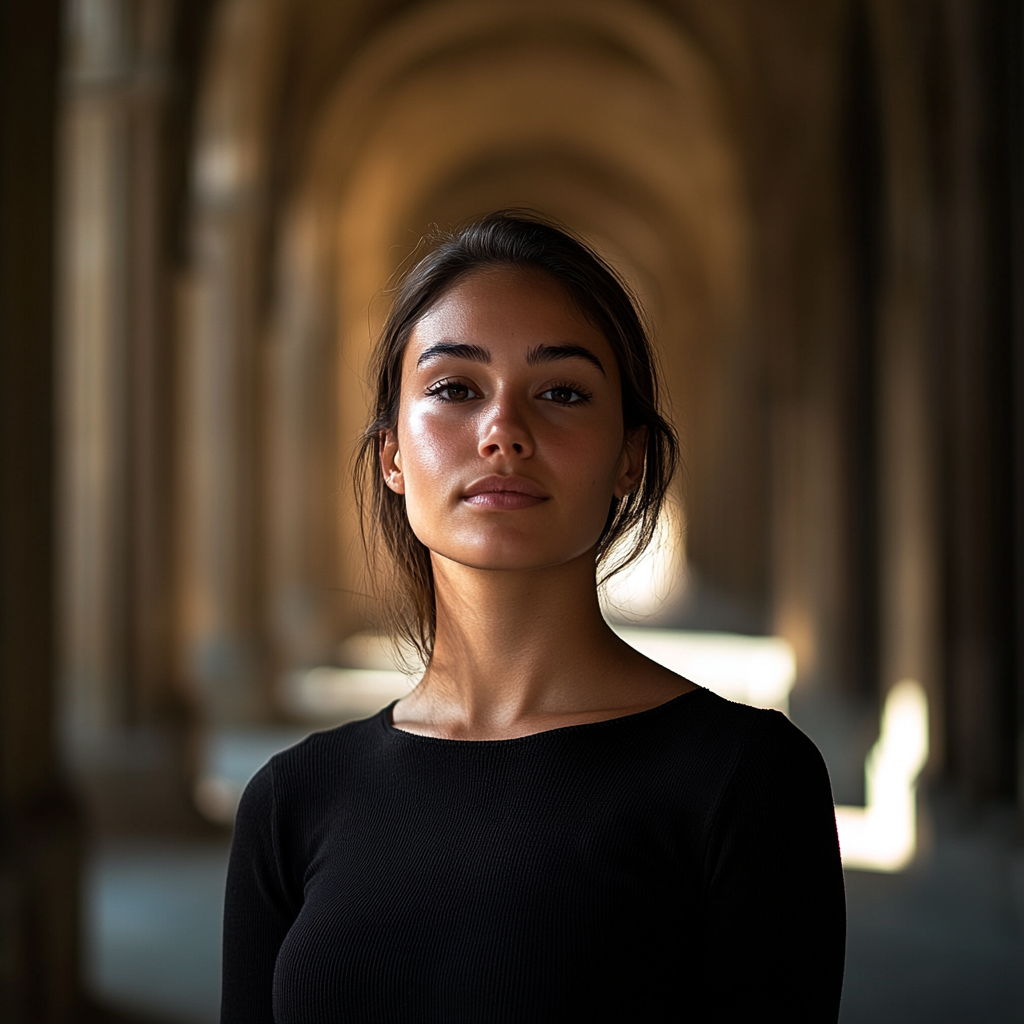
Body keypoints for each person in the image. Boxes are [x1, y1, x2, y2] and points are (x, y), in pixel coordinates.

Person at [221, 211, 846, 1023]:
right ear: (393, 456)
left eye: (561, 391)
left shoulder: (746, 782)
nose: (503, 433)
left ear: (631, 457)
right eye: (454, 388)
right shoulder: (290, 801)